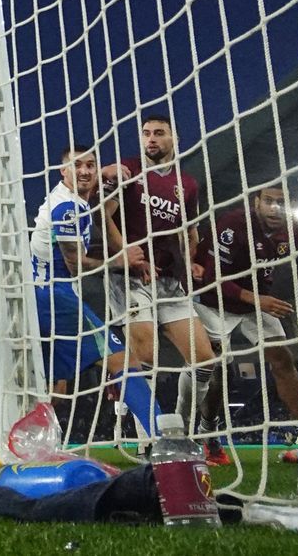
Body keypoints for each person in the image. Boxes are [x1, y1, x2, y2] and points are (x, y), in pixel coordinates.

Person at [32, 146, 161, 441]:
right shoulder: (67, 208)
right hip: (56, 297)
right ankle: (163, 438)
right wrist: (121, 259)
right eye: (77, 166)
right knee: (123, 361)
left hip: (43, 297)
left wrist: (106, 171)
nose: (85, 171)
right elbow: (74, 263)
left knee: (57, 391)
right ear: (63, 172)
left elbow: (90, 180)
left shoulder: (69, 198)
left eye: (91, 165)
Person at [186, 183, 298, 465]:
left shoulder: (293, 232)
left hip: (255, 302)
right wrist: (257, 300)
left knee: (283, 358)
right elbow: (209, 279)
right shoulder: (232, 224)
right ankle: (210, 434)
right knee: (216, 367)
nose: (274, 208)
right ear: (256, 203)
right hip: (212, 302)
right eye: (268, 201)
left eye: (281, 202)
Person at [102, 115, 216, 417]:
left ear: (175, 139)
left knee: (204, 361)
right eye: (146, 133)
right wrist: (125, 251)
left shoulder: (187, 184)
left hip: (168, 280)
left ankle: (181, 424)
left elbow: (188, 230)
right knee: (147, 355)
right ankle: (146, 440)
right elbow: (104, 215)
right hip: (128, 277)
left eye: (159, 133)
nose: (150, 138)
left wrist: (190, 261)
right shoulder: (130, 170)